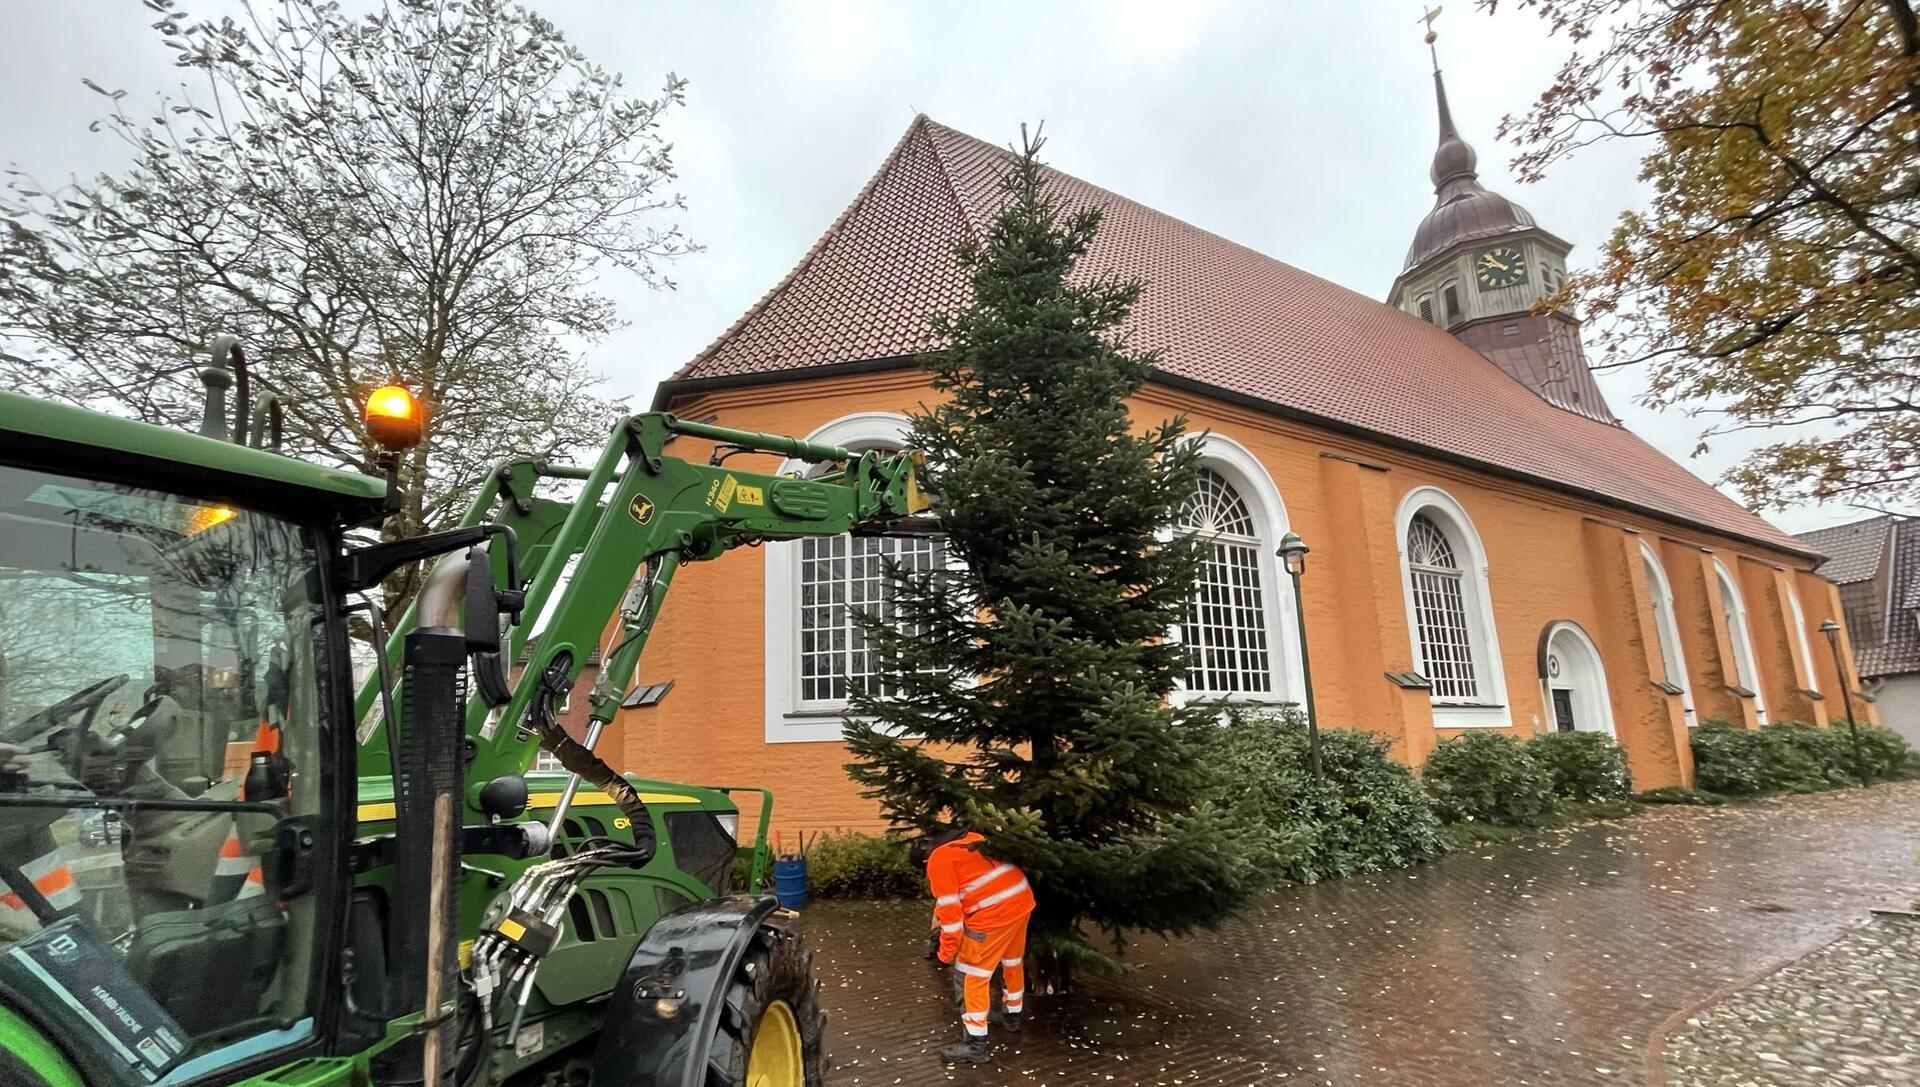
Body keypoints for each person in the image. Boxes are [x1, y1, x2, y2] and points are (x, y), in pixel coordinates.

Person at [910, 826, 1034, 1065]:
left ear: (925, 862)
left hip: (993, 916)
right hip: (1020, 900)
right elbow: (958, 892)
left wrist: (945, 954)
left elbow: (952, 918)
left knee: (970, 976)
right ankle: (1012, 1017)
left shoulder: (937, 861)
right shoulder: (966, 839)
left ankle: (975, 1045)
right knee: (1012, 961)